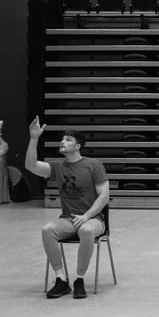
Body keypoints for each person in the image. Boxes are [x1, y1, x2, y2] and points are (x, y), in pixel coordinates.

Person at [25, 116, 109, 299]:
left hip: (94, 220)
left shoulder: (93, 165)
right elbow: (30, 165)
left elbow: (104, 196)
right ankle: (61, 280)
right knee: (47, 229)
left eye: (68, 140)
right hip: (68, 220)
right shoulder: (58, 167)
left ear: (78, 146)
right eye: (62, 139)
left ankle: (79, 279)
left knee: (86, 231)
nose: (63, 142)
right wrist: (34, 139)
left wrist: (87, 216)